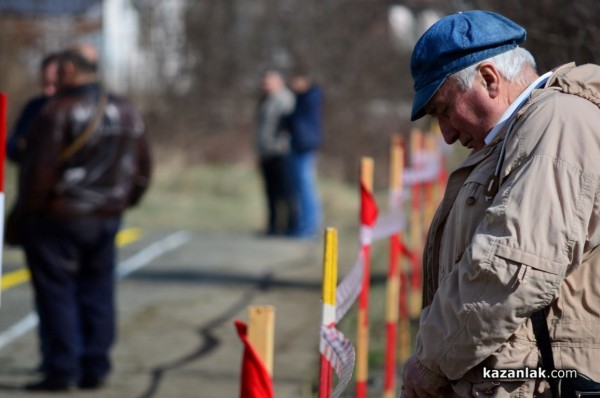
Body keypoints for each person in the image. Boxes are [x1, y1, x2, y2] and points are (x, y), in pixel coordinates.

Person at [401, 10, 600, 398]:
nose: (445, 134)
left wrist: (431, 363)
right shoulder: (520, 135)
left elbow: (511, 265)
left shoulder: (558, 123)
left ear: (489, 80)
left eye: (444, 109)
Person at [19, 43, 152, 392]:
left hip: (59, 217)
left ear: (67, 72)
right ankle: (95, 364)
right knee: (98, 290)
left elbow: (38, 173)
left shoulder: (57, 111)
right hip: (106, 217)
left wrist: (27, 213)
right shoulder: (126, 109)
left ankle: (63, 368)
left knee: (57, 294)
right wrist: (121, 202)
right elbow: (142, 170)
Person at [255, 69, 297, 236]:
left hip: (281, 152)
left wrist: (280, 144)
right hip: (266, 151)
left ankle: (288, 226)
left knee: (285, 191)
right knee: (270, 191)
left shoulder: (285, 99)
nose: (264, 85)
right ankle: (272, 225)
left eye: (268, 81)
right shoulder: (266, 100)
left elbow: (287, 126)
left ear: (279, 81)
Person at [285, 69, 324, 238]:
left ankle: (309, 227)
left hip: (305, 147)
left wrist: (288, 120)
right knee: (301, 189)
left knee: (306, 187)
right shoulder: (303, 98)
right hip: (300, 146)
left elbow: (301, 124)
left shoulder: (309, 98)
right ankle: (304, 225)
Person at [7, 52, 60, 163]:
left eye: (53, 85)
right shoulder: (33, 107)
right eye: (46, 84)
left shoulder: (73, 108)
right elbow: (12, 145)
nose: (49, 90)